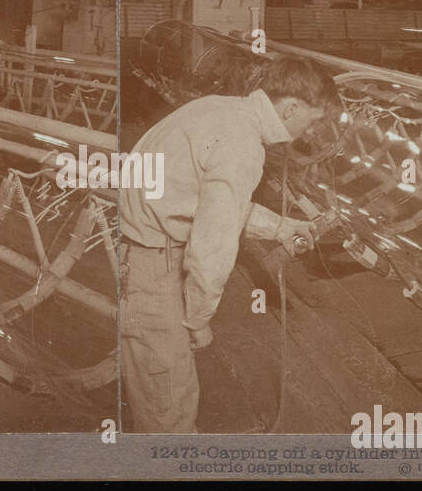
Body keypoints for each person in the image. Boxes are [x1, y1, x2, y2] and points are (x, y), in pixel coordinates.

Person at [118, 55, 341, 432]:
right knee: (167, 405)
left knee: (163, 390)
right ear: (291, 109)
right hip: (153, 268)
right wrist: (198, 319)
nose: (310, 131)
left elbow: (210, 200)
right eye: (313, 119)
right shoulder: (242, 144)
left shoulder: (220, 109)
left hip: (144, 251)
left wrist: (280, 227)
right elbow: (211, 246)